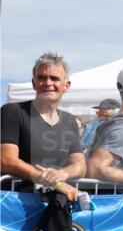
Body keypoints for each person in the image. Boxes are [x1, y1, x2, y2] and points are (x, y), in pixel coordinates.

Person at [1, 52, 85, 202]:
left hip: (56, 203)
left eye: (54, 78)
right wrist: (54, 182)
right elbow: (6, 160)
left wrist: (63, 174)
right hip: (16, 204)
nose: (47, 83)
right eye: (42, 78)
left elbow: (80, 165)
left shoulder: (69, 121)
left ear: (66, 86)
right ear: (34, 83)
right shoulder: (13, 111)